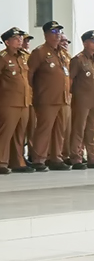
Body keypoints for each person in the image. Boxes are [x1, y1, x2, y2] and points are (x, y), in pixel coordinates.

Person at [27, 20, 72, 171]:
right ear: (46, 34)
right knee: (44, 129)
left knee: (60, 130)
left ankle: (56, 158)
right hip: (47, 99)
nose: (57, 35)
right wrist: (35, 93)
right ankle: (39, 159)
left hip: (63, 98)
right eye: (53, 32)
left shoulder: (63, 53)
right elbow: (30, 74)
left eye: (59, 32)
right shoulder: (39, 52)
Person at [69, 30, 94, 169]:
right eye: (93, 40)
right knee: (79, 129)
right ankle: (76, 157)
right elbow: (70, 80)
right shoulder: (78, 60)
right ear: (85, 43)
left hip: (93, 101)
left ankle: (93, 158)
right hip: (81, 100)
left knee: (91, 129)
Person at [0, 27, 33, 174]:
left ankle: (17, 161)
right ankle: (1, 162)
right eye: (16, 38)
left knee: (20, 134)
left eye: (20, 38)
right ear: (7, 42)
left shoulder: (23, 57)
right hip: (8, 101)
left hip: (24, 101)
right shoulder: (3, 58)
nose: (20, 40)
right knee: (5, 133)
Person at [52, 33, 73, 165]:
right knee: (55, 130)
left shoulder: (67, 57)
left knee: (67, 128)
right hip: (54, 97)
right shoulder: (51, 55)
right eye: (63, 41)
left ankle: (65, 155)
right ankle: (51, 156)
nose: (65, 43)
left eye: (67, 41)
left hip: (67, 97)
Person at [21, 33, 36, 164]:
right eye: (23, 41)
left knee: (32, 128)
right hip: (18, 99)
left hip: (30, 97)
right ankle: (19, 156)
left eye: (27, 41)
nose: (26, 43)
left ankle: (32, 155)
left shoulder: (30, 57)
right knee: (20, 130)